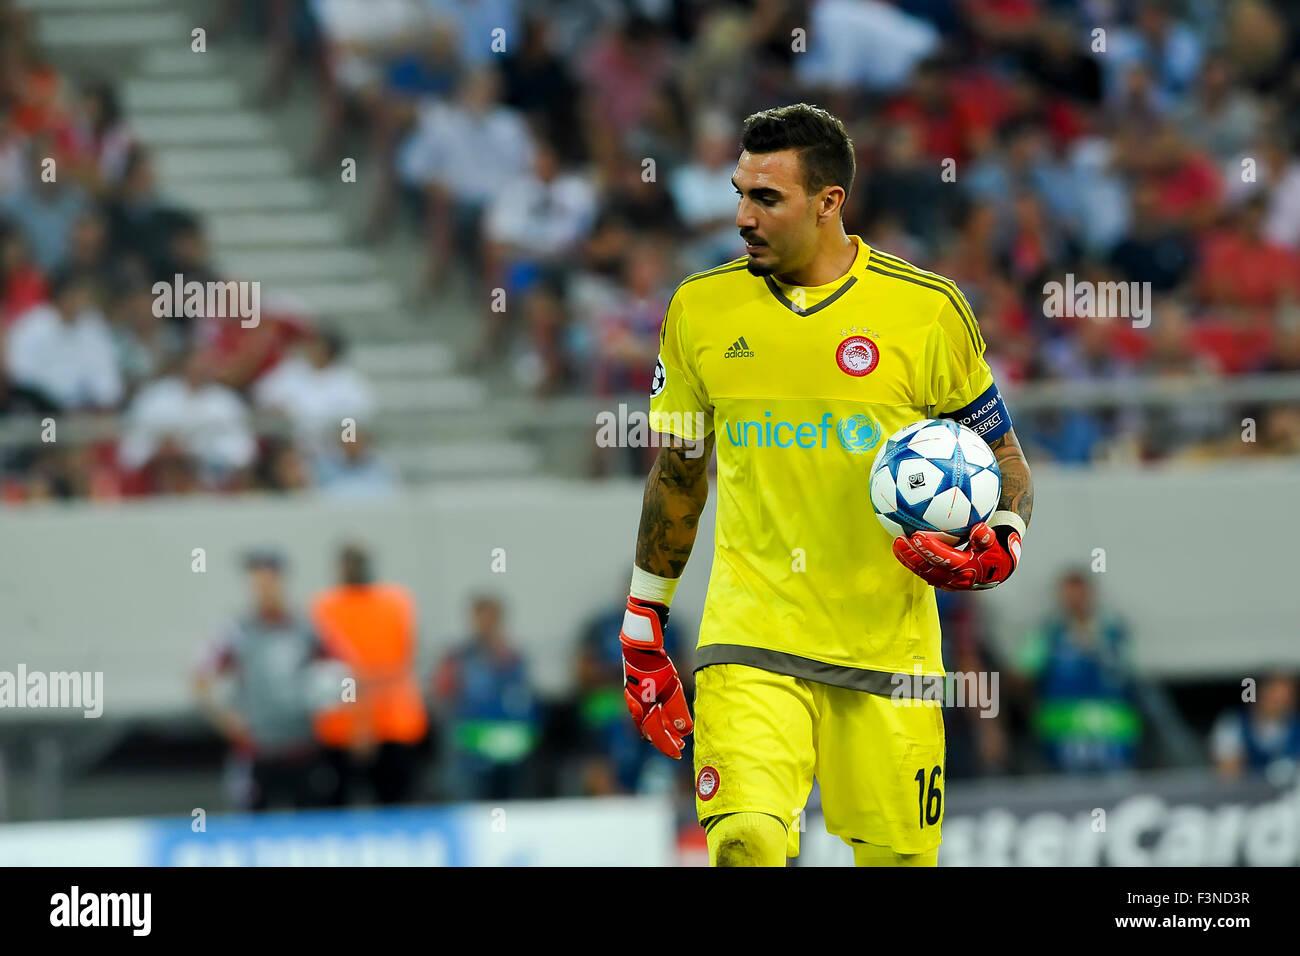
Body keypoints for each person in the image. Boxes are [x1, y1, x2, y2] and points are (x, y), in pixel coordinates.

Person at [617, 104, 1033, 867]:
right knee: (745, 842)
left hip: (891, 653)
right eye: (739, 192)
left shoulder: (926, 311)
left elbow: (1003, 456)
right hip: (751, 635)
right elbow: (678, 475)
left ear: (829, 201)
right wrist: (643, 626)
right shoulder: (699, 309)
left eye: (766, 198)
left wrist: (1005, 534)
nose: (742, 215)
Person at [192, 550, 336, 811]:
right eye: (258, 584)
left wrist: (333, 700)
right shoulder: (238, 630)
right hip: (257, 751)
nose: (264, 590)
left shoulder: (306, 627)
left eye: (269, 582)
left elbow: (342, 670)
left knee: (309, 822)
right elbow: (200, 679)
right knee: (254, 824)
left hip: (302, 747)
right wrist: (226, 720)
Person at [311, 542, 428, 805]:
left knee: (397, 802)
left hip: (392, 725)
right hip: (340, 729)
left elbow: (397, 663)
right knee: (335, 805)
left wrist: (364, 722)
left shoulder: (394, 603)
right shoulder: (326, 607)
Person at [1012, 569, 1140, 774]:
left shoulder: (1112, 630)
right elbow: (1022, 674)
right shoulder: (1049, 633)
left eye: (1079, 594)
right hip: (1064, 735)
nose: (1075, 601)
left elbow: (1127, 673)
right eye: (1069, 595)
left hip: (1111, 734)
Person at [431, 595, 541, 801]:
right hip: (471, 751)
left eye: (491, 618)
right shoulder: (458, 658)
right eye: (481, 618)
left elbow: (525, 703)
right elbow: (442, 696)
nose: (486, 624)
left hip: (510, 753)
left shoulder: (515, 658)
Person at [1211, 672, 1300, 779]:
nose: (1280, 703)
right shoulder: (1233, 723)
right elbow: (1228, 776)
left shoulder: (1296, 724)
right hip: (1247, 793)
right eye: (1273, 696)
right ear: (1259, 692)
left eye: (1286, 698)